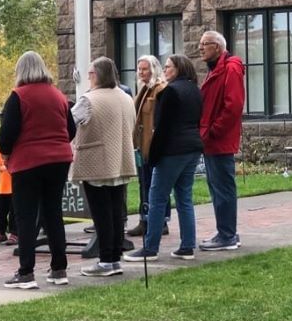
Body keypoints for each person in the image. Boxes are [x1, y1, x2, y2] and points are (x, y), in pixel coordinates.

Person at [0, 51, 75, 289]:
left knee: (26, 216)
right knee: (53, 213)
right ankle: (59, 269)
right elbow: (70, 129)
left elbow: (7, 134)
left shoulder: (18, 96)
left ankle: (26, 272)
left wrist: (5, 153)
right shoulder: (58, 95)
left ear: (20, 70)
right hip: (59, 160)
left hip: (28, 162)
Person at [125, 54, 204, 261]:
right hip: (193, 147)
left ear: (178, 68)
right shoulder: (195, 90)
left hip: (172, 150)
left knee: (157, 198)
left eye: (168, 67)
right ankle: (187, 246)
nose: (166, 70)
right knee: (184, 198)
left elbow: (162, 128)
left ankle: (150, 248)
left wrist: (153, 156)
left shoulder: (170, 92)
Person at [72, 57, 137, 276]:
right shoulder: (126, 97)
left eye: (90, 73)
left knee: (101, 214)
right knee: (117, 212)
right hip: (121, 159)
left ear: (97, 75)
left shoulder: (88, 100)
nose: (88, 77)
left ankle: (106, 260)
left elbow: (68, 123)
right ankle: (115, 257)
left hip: (97, 161)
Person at [197, 30, 245, 252]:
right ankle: (225, 232)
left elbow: (233, 105)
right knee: (217, 187)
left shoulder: (230, 69)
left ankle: (227, 235)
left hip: (219, 140)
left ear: (217, 46)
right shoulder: (216, 70)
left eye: (204, 44)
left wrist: (214, 131)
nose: (200, 48)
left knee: (223, 187)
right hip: (212, 139)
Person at [126, 55, 170, 238]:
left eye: (145, 69)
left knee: (155, 184)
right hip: (141, 145)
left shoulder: (160, 89)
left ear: (154, 69)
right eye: (139, 69)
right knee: (145, 184)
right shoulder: (144, 89)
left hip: (153, 145)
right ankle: (145, 219)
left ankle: (160, 221)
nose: (141, 72)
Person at [0, 149, 17, 245]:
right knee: (0, 213)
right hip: (2, 188)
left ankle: (14, 234)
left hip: (14, 187)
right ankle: (1, 233)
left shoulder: (16, 148)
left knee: (14, 214)